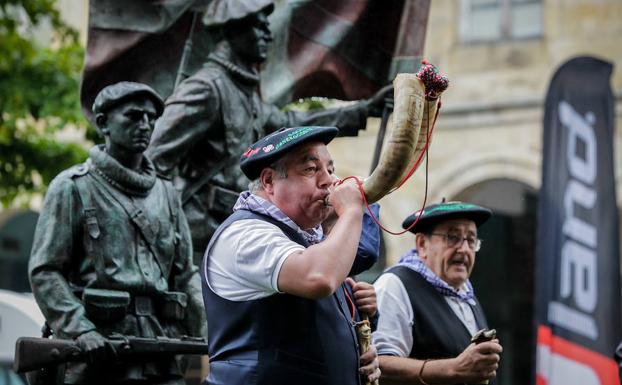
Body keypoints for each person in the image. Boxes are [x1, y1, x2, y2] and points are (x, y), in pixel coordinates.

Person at [146, 0, 390, 262]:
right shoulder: (207, 89)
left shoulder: (243, 92)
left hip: (234, 229)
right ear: (232, 30)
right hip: (198, 241)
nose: (267, 34)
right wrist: (167, 228)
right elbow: (152, 160)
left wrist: (363, 110)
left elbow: (291, 124)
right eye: (258, 26)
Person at [29, 82, 205, 385]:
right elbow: (45, 271)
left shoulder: (168, 194)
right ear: (103, 124)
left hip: (159, 347)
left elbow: (185, 275)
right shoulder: (72, 187)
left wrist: (207, 329)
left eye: (151, 118)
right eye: (133, 116)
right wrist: (80, 329)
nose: (145, 125)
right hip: (98, 349)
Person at [201, 126, 381, 385]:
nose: (329, 181)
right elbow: (318, 277)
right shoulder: (244, 233)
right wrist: (353, 211)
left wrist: (357, 357)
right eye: (311, 170)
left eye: (330, 169)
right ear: (269, 181)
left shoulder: (307, 241)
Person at [373, 201, 503, 385]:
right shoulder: (395, 285)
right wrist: (454, 368)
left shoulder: (467, 294)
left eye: (471, 240)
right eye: (452, 237)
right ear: (422, 244)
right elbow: (379, 365)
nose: (464, 249)